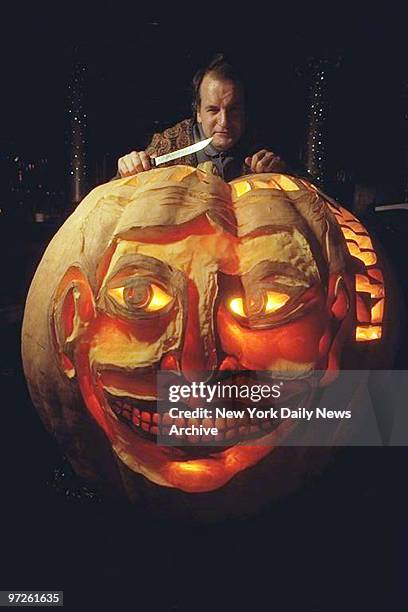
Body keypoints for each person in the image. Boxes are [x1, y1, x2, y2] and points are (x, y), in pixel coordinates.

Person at [116, 54, 286, 182]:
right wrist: (127, 171)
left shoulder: (262, 147)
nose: (224, 122)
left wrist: (282, 174)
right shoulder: (167, 145)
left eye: (233, 110)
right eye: (213, 110)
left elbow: (307, 192)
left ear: (244, 110)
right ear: (198, 112)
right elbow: (114, 196)